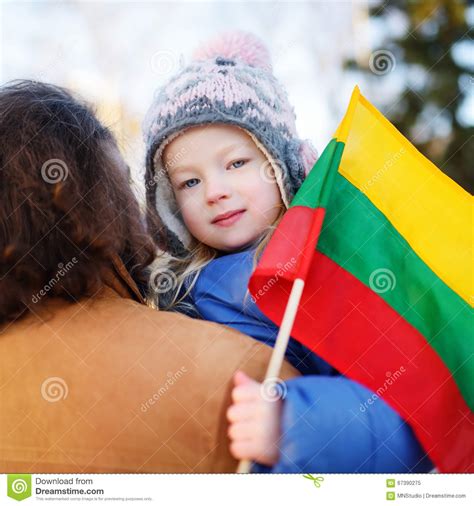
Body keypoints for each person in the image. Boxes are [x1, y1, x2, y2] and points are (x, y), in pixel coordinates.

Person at [143, 31, 433, 472]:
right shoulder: (168, 294)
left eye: (236, 163)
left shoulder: (328, 271)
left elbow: (412, 414)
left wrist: (294, 425)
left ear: (284, 164)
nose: (215, 192)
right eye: (189, 182)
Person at [0, 79, 298, 473]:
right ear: (100, 203)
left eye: (236, 163)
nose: (215, 192)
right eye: (122, 184)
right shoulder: (241, 373)